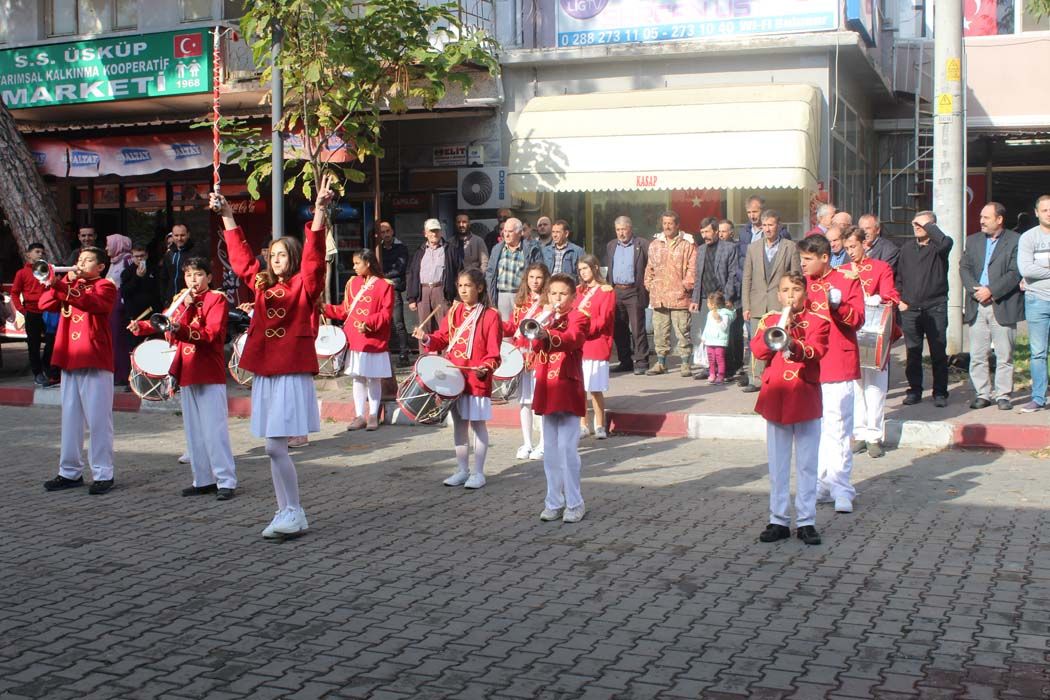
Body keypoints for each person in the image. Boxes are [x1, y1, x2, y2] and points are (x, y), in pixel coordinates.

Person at [212, 178, 332, 540]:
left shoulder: (304, 285)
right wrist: (229, 216)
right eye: (271, 254)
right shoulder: (262, 283)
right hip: (266, 370)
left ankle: (292, 510)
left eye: (281, 254)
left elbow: (314, 262)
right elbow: (241, 260)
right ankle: (287, 510)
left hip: (290, 369)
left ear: (292, 258)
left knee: (274, 446)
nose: (274, 259)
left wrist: (321, 213)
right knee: (271, 447)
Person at [129, 257, 237, 500]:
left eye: (198, 275)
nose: (193, 280)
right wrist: (142, 327)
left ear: (209, 277)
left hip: (208, 369)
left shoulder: (216, 299)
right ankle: (203, 479)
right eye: (189, 275)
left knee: (214, 429)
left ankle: (226, 480)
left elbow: (211, 334)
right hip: (187, 368)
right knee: (194, 430)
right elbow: (164, 321)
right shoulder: (183, 300)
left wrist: (184, 323)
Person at [752, 273, 830, 546]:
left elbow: (818, 350)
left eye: (796, 290)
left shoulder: (818, 320)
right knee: (778, 464)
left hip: (804, 394)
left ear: (805, 293)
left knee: (807, 465)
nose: (790, 295)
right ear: (779, 295)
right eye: (785, 290)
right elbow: (758, 351)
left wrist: (793, 344)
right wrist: (778, 329)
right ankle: (779, 520)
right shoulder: (770, 321)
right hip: (777, 397)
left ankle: (807, 521)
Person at [413, 268, 502, 489]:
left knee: (478, 426)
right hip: (454, 377)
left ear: (479, 288)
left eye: (468, 286)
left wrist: (486, 366)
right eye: (460, 285)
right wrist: (426, 338)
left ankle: (478, 473)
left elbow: (494, 353)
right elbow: (442, 339)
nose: (463, 290)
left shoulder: (491, 316)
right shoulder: (453, 312)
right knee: (459, 426)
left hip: (476, 379)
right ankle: (462, 470)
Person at [39, 246, 118, 495]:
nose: (81, 264)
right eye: (79, 259)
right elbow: (43, 303)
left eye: (88, 260)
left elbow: (92, 304)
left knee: (98, 420)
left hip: (94, 357)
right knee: (70, 419)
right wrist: (59, 281)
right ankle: (69, 472)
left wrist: (63, 286)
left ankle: (103, 473)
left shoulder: (105, 285)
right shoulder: (69, 283)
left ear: (101, 266)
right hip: (69, 356)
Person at [797, 234, 864, 514]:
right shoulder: (801, 286)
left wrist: (838, 305)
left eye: (808, 259)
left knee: (837, 428)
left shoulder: (845, 280)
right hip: (811, 365)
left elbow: (858, 319)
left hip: (837, 362)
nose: (802, 265)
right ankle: (821, 483)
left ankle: (841, 487)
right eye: (801, 259)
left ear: (825, 257)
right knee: (815, 430)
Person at [532, 273, 588, 523]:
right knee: (551, 451)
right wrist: (540, 327)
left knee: (567, 450)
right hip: (547, 386)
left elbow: (574, 339)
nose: (557, 298)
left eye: (563, 294)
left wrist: (549, 335)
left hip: (567, 385)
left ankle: (575, 503)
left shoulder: (579, 316)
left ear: (573, 296)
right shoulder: (546, 318)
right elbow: (533, 345)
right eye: (553, 293)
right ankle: (553, 501)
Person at [843, 227, 900, 459]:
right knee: (856, 387)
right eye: (847, 248)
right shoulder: (843, 270)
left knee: (875, 387)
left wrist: (877, 298)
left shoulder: (880, 267)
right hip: (851, 334)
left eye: (853, 247)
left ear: (864, 244)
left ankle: (875, 436)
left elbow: (891, 294)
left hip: (874, 333)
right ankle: (859, 432)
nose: (850, 252)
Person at [960, 202, 1023, 412]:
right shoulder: (973, 241)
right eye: (980, 217)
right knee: (978, 354)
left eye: (986, 217)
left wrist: (991, 290)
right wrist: (976, 290)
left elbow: (1014, 273)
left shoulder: (1015, 241)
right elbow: (964, 268)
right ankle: (983, 393)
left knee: (1004, 354)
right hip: (977, 303)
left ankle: (1003, 394)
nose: (981, 221)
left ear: (999, 219)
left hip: (1001, 303)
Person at [325, 249, 394, 430]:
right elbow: (345, 310)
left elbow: (386, 314)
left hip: (373, 338)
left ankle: (373, 415)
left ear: (368, 263)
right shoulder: (352, 283)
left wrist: (369, 323)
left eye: (357, 263)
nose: (354, 267)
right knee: (357, 378)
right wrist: (324, 308)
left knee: (373, 378)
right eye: (354, 263)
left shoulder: (384, 285)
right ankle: (359, 415)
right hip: (355, 338)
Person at [896, 211, 953, 407]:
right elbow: (899, 277)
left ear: (933, 226)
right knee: (913, 352)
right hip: (910, 308)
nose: (917, 226)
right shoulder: (907, 248)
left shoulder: (940, 246)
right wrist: (900, 300)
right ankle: (914, 390)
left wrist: (928, 225)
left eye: (922, 224)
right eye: (915, 223)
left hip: (935, 307)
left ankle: (940, 393)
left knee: (938, 351)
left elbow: (945, 242)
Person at [741, 209, 801, 392]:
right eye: (764, 225)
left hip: (779, 305)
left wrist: (791, 304)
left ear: (778, 226)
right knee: (756, 342)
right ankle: (755, 379)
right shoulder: (753, 248)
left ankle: (776, 377)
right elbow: (747, 278)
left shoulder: (789, 247)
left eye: (771, 225)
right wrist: (746, 305)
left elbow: (796, 276)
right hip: (757, 303)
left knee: (778, 342)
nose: (767, 229)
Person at [504, 263, 550, 460]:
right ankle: (527, 443)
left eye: (539, 278)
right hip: (522, 358)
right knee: (524, 402)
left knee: (540, 402)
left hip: (539, 357)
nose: (535, 281)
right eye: (531, 277)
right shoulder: (520, 303)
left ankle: (543, 443)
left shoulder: (547, 303)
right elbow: (512, 328)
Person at [644, 211, 696, 376]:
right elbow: (650, 267)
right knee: (659, 332)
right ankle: (661, 363)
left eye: (670, 223)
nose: (667, 226)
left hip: (679, 296)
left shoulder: (687, 244)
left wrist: (686, 285)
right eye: (664, 223)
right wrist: (649, 284)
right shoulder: (655, 244)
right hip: (659, 297)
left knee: (682, 332)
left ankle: (685, 364)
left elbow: (693, 268)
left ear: (677, 225)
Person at [688, 216, 738, 379]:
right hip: (705, 299)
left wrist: (729, 297)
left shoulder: (729, 248)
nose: (704, 235)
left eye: (707, 231)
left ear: (716, 231)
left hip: (722, 299)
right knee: (708, 335)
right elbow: (697, 276)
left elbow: (733, 274)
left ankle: (727, 368)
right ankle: (709, 367)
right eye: (702, 232)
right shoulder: (701, 249)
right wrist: (695, 299)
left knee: (723, 335)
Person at [406, 219, 462, 351]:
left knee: (445, 326)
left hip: (442, 291)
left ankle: (445, 359)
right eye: (431, 231)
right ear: (425, 233)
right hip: (423, 291)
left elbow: (459, 273)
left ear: (441, 232)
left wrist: (457, 296)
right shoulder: (420, 251)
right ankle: (425, 360)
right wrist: (412, 298)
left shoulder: (450, 249)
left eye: (436, 230)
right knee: (424, 328)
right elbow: (413, 273)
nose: (434, 234)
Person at [575, 255, 615, 439]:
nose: (583, 272)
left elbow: (604, 319)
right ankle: (583, 424)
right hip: (579, 345)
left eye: (586, 268)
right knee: (580, 388)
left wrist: (584, 330)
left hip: (596, 343)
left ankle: (600, 424)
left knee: (595, 388)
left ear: (595, 268)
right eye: (580, 269)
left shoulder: (606, 291)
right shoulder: (577, 291)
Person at [604, 216, 650, 375]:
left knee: (638, 328)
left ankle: (642, 361)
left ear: (630, 229)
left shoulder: (642, 244)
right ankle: (625, 361)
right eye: (618, 230)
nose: (621, 233)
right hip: (616, 291)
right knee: (619, 328)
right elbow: (610, 269)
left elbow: (649, 267)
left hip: (634, 290)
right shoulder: (611, 245)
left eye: (624, 229)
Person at [1017, 194, 1050, 412]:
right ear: (1037, 213)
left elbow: (1032, 270)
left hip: (1036, 289)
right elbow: (1026, 269)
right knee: (1038, 352)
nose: (1049, 213)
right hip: (1037, 299)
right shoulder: (1028, 238)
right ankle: (1038, 396)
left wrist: (1041, 271)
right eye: (1045, 210)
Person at [12, 243, 55, 385]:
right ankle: (37, 372)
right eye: (37, 252)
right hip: (31, 312)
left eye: (42, 252)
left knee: (52, 341)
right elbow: (15, 293)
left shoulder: (47, 270)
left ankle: (47, 366)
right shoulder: (21, 273)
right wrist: (21, 310)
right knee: (34, 344)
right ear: (28, 254)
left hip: (48, 311)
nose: (40, 254)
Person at [486, 217, 543, 320]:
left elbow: (540, 272)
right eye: (505, 231)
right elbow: (490, 273)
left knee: (522, 328)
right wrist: (490, 295)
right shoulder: (497, 249)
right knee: (505, 330)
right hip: (501, 296)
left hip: (523, 295)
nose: (506, 235)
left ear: (520, 233)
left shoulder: (531, 249)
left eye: (510, 232)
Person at [374, 221, 411, 366]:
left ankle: (404, 353)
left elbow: (400, 269)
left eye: (387, 231)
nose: (385, 235)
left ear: (392, 231)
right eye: (382, 232)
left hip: (394, 288)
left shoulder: (400, 248)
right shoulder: (379, 249)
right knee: (383, 322)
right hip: (381, 288)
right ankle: (383, 352)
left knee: (398, 322)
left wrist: (383, 276)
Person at [105, 234, 133, 388]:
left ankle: (123, 374)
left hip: (121, 304)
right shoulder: (114, 261)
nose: (107, 248)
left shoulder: (126, 259)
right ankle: (116, 373)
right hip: (112, 303)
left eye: (109, 244)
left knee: (120, 339)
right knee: (113, 339)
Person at [119, 244, 160, 349]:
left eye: (142, 256)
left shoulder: (155, 269)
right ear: (132, 257)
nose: (139, 259)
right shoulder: (127, 272)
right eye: (136, 256)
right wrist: (137, 277)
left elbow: (158, 289)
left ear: (147, 255)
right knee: (136, 347)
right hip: (134, 316)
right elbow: (124, 292)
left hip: (152, 315)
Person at [700, 291, 736, 385]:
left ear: (714, 304)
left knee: (720, 359)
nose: (707, 304)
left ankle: (721, 375)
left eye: (708, 303)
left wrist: (718, 319)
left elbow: (724, 328)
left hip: (719, 341)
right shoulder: (709, 314)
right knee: (711, 359)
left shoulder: (725, 314)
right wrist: (704, 337)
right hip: (710, 340)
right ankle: (712, 374)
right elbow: (707, 326)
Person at [158, 224, 195, 300]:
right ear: (172, 236)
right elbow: (163, 277)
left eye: (182, 235)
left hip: (189, 298)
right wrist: (164, 298)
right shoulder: (169, 254)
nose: (179, 238)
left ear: (188, 235)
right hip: (170, 299)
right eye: (176, 235)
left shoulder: (195, 252)